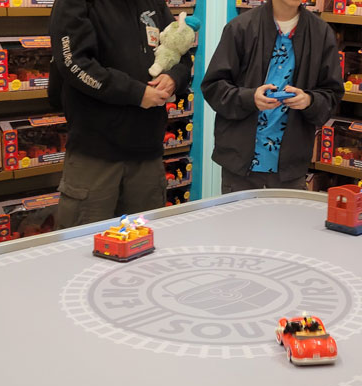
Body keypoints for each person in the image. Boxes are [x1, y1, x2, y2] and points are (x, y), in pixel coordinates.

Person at [49, 0, 192, 228]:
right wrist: (136, 93)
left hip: (148, 153)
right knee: (83, 246)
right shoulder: (75, 3)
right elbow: (74, 63)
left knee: (144, 248)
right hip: (95, 154)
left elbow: (179, 51)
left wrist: (175, 78)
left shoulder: (154, 3)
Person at [201, 0, 344, 193]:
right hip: (240, 166)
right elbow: (214, 87)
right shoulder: (240, 27)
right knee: (239, 224)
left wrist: (309, 100)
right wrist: (250, 98)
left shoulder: (321, 33)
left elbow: (332, 94)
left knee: (287, 223)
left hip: (290, 167)